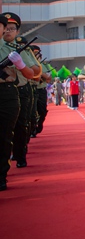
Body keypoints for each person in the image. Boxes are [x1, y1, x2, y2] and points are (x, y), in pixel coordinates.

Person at [1, 14, 40, 190]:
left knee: (6, 134)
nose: (7, 30)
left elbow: (33, 74)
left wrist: (20, 65)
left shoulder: (13, 49)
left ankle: (2, 174)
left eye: (9, 28)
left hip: (7, 92)